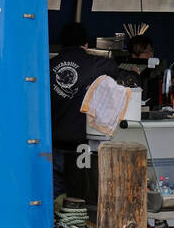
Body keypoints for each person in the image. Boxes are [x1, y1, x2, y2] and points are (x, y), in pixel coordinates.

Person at [50, 22, 128, 203]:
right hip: (82, 146)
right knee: (79, 199)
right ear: (85, 44)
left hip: (51, 144)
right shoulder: (98, 64)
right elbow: (117, 72)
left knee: (53, 198)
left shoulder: (46, 67)